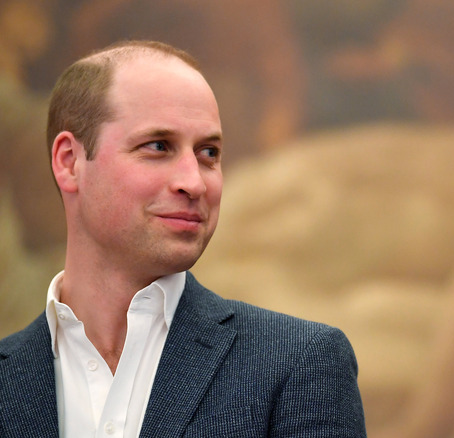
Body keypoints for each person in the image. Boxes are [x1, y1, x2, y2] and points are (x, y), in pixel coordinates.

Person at [0, 40, 366, 437]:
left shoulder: (299, 364)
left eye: (209, 153)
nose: (194, 182)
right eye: (158, 146)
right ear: (70, 162)